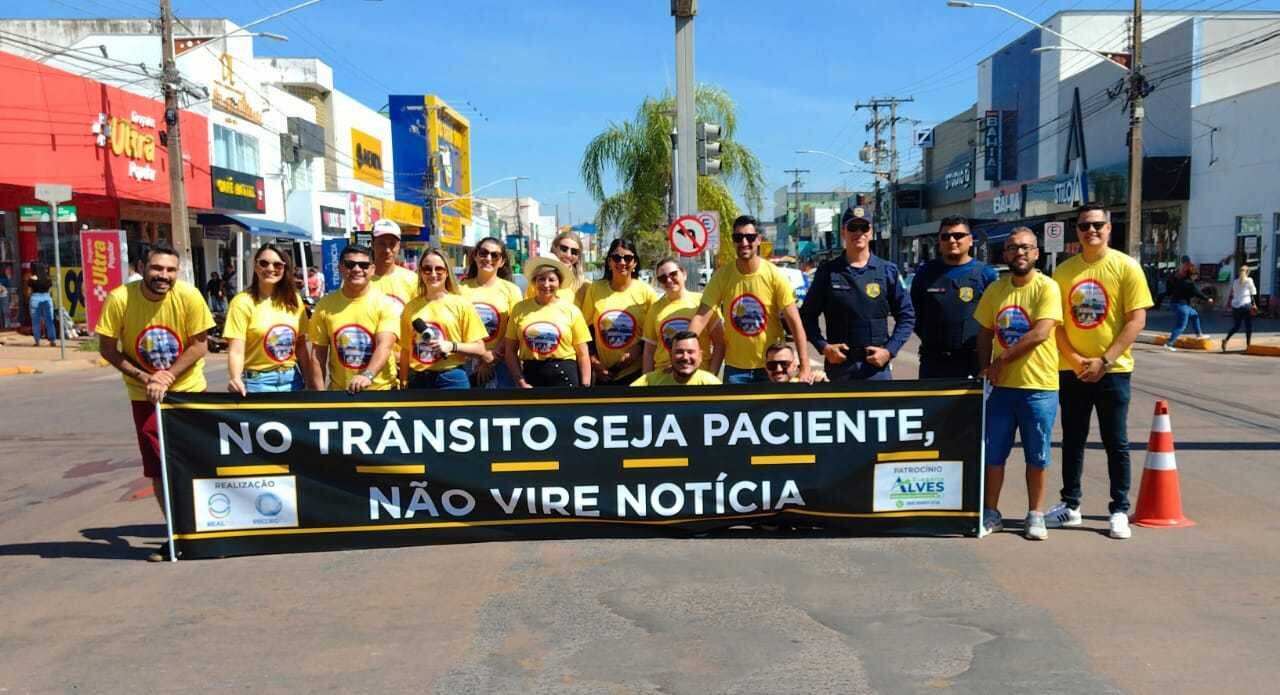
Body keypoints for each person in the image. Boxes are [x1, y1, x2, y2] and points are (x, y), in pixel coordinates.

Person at [96, 241, 213, 559]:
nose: (164, 275)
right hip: (144, 394)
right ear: (141, 268)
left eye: (171, 270)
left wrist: (167, 377)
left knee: (196, 462)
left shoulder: (189, 296)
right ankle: (176, 534)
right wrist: (145, 378)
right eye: (157, 268)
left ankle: (206, 531)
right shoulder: (120, 299)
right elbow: (107, 349)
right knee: (160, 467)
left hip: (188, 392)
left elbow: (200, 345)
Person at [1047, 203, 1153, 539]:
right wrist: (1076, 359)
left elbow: (1136, 320)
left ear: (1109, 228)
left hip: (1114, 371)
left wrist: (1104, 361)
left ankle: (1119, 509)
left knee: (1115, 442)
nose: (1091, 231)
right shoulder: (1064, 272)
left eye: (1097, 225)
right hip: (1072, 370)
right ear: (1076, 231)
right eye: (1084, 226)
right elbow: (1056, 324)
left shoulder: (1126, 267)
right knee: (1073, 440)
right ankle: (1070, 505)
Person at [974, 228, 1063, 540]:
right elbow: (985, 331)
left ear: (1036, 253)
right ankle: (991, 513)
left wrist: (1000, 361)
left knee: (1037, 456)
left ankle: (1035, 514)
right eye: (1013, 248)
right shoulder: (996, 289)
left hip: (1039, 388)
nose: (1019, 253)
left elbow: (1040, 333)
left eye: (1026, 247)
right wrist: (986, 367)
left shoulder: (1047, 287)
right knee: (993, 455)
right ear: (1006, 255)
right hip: (1001, 390)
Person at [688, 215, 812, 384]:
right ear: (733, 241)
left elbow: (795, 324)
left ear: (759, 240)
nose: (744, 242)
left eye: (750, 237)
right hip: (735, 370)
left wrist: (805, 367)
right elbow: (701, 318)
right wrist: (684, 349)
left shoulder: (774, 275)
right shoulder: (722, 276)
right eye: (738, 237)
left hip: (771, 367)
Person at [801, 208, 915, 381]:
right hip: (840, 367)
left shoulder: (887, 271)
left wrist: (889, 351)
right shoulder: (828, 272)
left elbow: (907, 316)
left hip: (876, 368)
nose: (859, 233)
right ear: (843, 232)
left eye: (864, 227)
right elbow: (807, 316)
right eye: (853, 227)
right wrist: (824, 347)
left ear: (871, 232)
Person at [910, 216, 998, 378]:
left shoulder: (986, 274)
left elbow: (994, 320)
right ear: (939, 241)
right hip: (933, 362)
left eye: (958, 236)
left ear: (970, 240)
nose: (952, 240)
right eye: (945, 236)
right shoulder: (925, 273)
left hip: (972, 362)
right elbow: (913, 313)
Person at [306, 244, 400, 393]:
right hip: (341, 394)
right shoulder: (324, 306)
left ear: (372, 269)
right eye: (350, 264)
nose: (357, 269)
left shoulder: (386, 304)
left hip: (382, 391)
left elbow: (384, 345)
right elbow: (318, 355)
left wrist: (367, 375)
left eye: (363, 265)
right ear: (340, 268)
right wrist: (321, 396)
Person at [224, 244, 311, 395]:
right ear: (255, 266)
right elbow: (236, 349)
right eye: (264, 263)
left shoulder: (294, 300)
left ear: (285, 268)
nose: (270, 269)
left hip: (293, 381)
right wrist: (235, 378)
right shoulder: (242, 302)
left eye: (277, 265)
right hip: (258, 384)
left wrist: (310, 381)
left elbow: (301, 346)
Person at [399, 248, 489, 390]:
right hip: (418, 380)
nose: (433, 274)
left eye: (439, 269)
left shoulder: (461, 304)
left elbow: (480, 348)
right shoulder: (410, 307)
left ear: (447, 273)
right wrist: (403, 381)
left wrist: (451, 346)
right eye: (427, 269)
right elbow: (405, 350)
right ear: (420, 272)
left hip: (452, 379)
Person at [505, 257, 591, 388]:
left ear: (559, 283)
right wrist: (520, 381)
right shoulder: (519, 309)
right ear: (534, 281)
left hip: (565, 377)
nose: (546, 285)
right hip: (530, 377)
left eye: (551, 280)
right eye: (541, 279)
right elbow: (510, 351)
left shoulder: (572, 311)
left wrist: (585, 386)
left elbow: (583, 354)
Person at [580, 238, 657, 385]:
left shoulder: (646, 292)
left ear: (635, 263)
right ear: (609, 262)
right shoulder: (595, 289)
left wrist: (637, 350)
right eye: (616, 258)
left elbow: (654, 332)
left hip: (636, 374)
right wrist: (595, 363)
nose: (622, 262)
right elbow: (585, 331)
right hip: (604, 374)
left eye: (628, 258)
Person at [642, 258, 724, 375]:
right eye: (663, 278)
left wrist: (712, 375)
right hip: (664, 377)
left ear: (684, 274)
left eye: (673, 274)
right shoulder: (655, 309)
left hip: (698, 375)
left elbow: (719, 343)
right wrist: (646, 380)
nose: (669, 280)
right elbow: (649, 351)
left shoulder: (703, 303)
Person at [461, 237, 524, 388]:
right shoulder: (460, 289)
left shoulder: (512, 290)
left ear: (502, 262)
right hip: (467, 361)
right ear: (475, 256)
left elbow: (512, 331)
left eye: (495, 255)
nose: (488, 258)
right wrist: (480, 355)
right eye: (483, 253)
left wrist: (491, 357)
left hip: (501, 363)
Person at [631, 331, 721, 386]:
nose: (685, 357)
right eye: (679, 352)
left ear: (700, 356)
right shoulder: (651, 381)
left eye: (690, 352)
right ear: (670, 355)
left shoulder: (710, 383)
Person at [368, 219, 419, 307]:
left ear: (399, 246)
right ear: (372, 244)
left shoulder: (412, 279)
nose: (387, 250)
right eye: (382, 243)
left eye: (392, 244)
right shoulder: (361, 279)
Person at [526, 229, 585, 302]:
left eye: (574, 251)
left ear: (578, 256)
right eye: (564, 249)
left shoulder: (584, 286)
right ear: (554, 249)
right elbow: (527, 306)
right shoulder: (538, 282)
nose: (568, 255)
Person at [1163, 266, 1213, 350]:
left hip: (1179, 304)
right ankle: (1169, 344)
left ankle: (1198, 334)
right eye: (1196, 275)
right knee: (1181, 326)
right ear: (1192, 275)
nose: (1197, 277)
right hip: (1181, 305)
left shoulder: (1182, 280)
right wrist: (1207, 299)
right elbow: (1197, 292)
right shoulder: (1189, 283)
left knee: (1194, 315)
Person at [1222, 264, 1258, 352]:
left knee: (1236, 326)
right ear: (1247, 272)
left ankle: (1226, 339)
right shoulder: (1249, 280)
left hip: (1236, 306)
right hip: (1246, 305)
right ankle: (1248, 346)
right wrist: (1254, 304)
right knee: (1248, 326)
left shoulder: (1235, 281)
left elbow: (1234, 293)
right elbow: (1253, 293)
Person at [762, 342, 830, 384]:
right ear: (766, 368)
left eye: (784, 364)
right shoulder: (759, 392)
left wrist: (822, 382)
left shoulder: (805, 385)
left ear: (795, 365)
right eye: (772, 365)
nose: (778, 369)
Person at [27, 262, 56, 346]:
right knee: (49, 320)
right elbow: (50, 291)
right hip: (47, 298)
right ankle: (52, 340)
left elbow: (28, 292)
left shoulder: (31, 279)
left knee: (35, 321)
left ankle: (37, 341)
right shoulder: (48, 278)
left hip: (35, 298)